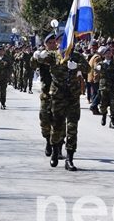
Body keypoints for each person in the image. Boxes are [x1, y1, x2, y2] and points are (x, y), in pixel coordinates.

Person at [36, 35, 89, 170]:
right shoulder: (54, 55)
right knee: (57, 126)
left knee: (72, 127)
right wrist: (37, 55)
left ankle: (69, 158)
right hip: (58, 97)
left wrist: (77, 66)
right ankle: (55, 151)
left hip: (73, 97)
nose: (64, 44)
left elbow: (88, 69)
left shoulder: (76, 56)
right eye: (61, 41)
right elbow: (39, 61)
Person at [95, 46, 114, 128]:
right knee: (103, 104)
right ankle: (104, 115)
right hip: (104, 87)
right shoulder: (100, 64)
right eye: (106, 53)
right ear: (103, 55)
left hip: (113, 87)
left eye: (109, 53)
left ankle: (112, 121)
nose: (108, 55)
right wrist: (97, 69)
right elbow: (96, 72)